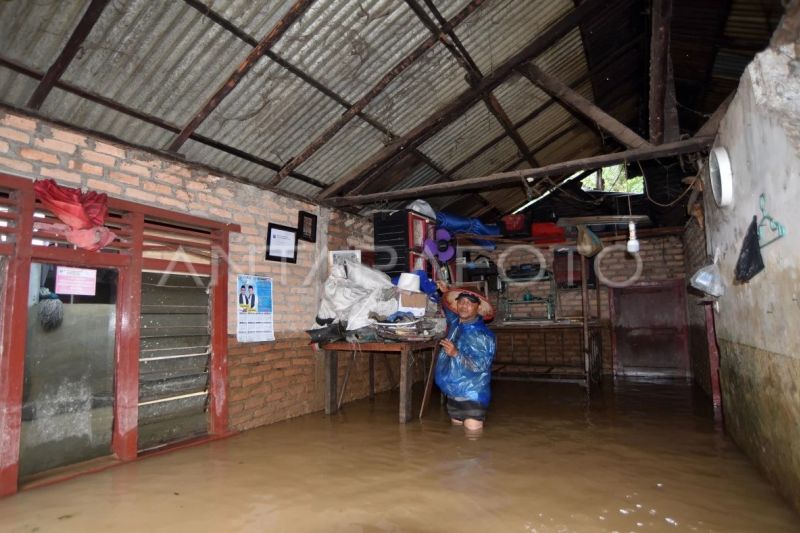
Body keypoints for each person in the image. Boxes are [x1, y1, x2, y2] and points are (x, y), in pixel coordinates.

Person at [435, 280, 496, 432]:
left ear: (478, 307)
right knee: (456, 435)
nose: (464, 306)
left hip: (473, 395)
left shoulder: (483, 335)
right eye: (461, 302)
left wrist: (456, 353)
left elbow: (480, 365)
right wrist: (445, 293)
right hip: (453, 393)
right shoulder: (457, 324)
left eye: (469, 303)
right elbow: (450, 312)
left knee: (472, 438)